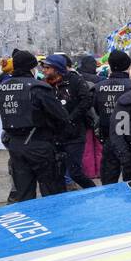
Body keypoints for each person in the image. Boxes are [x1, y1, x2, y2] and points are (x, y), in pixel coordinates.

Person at [0, 49, 71, 202]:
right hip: (39, 143)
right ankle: (53, 222)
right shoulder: (38, 88)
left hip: (15, 144)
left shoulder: (1, 88)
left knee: (24, 193)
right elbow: (61, 116)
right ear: (31, 68)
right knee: (51, 191)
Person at [42, 54, 96, 189]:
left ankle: (95, 192)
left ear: (57, 68)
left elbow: (87, 100)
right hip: (54, 135)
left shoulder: (75, 80)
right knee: (57, 172)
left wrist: (71, 119)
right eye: (43, 67)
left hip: (75, 134)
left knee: (75, 172)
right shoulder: (44, 85)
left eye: (47, 68)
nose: (44, 70)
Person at [93, 51, 131, 185]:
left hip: (108, 137)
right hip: (130, 139)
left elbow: (96, 110)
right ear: (128, 66)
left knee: (108, 181)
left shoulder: (98, 87)